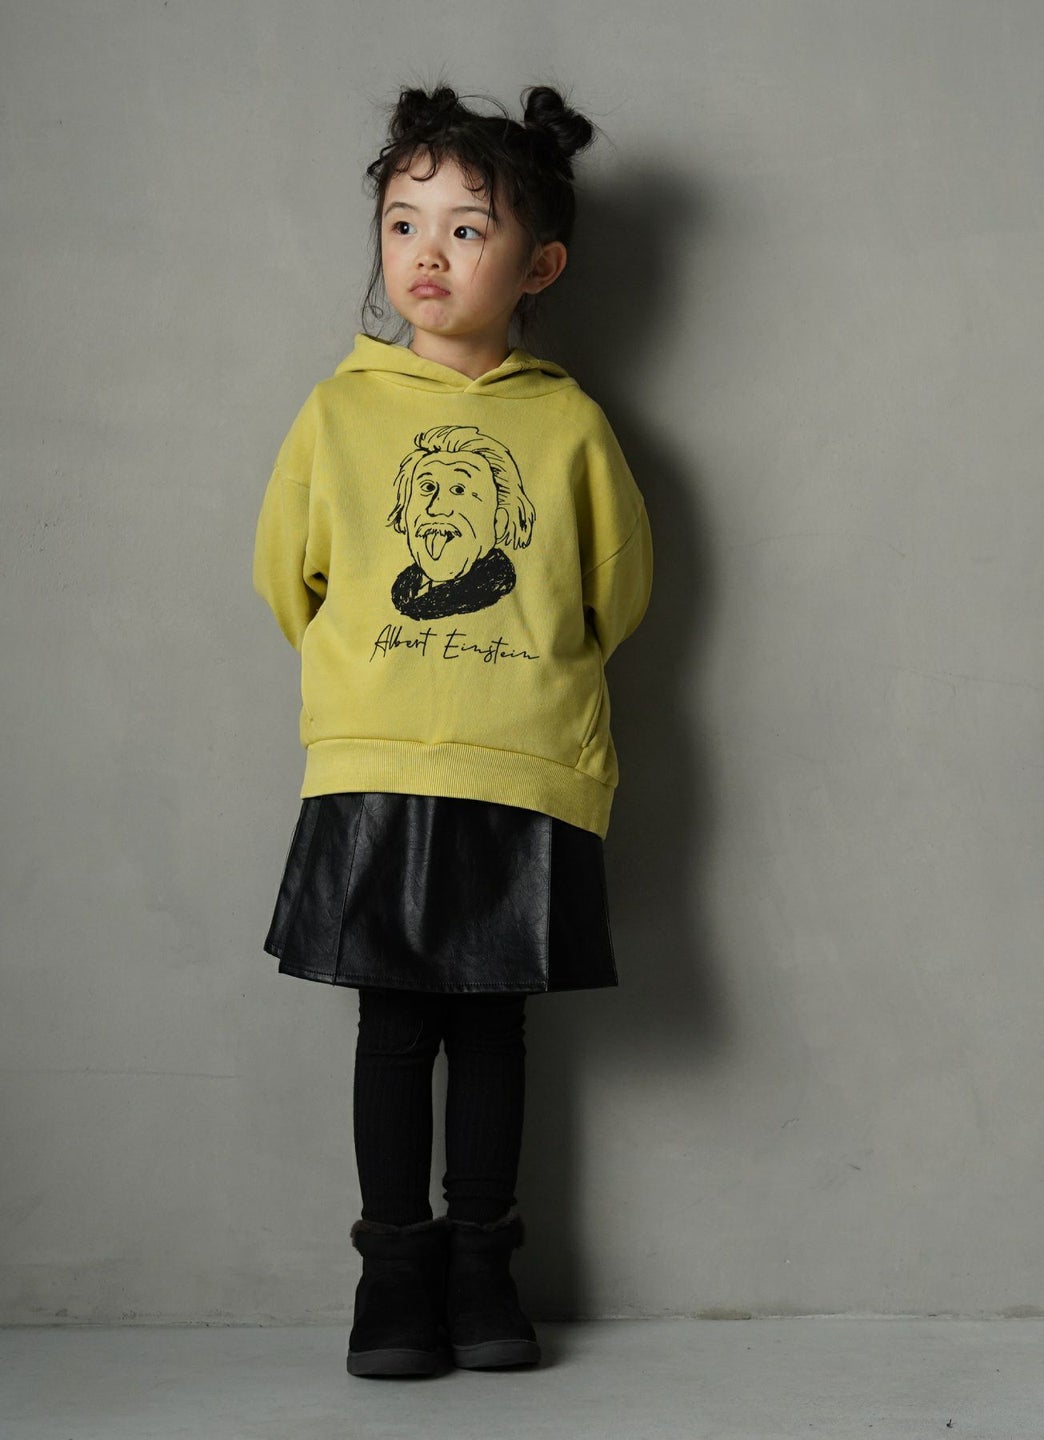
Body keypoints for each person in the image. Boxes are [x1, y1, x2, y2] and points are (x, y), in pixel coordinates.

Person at [252, 83, 652, 1377]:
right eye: (403, 222)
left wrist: (515, 685)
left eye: (466, 229)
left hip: (520, 768)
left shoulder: (569, 425)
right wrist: (380, 684)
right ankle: (392, 1278)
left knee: (492, 1028)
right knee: (393, 1030)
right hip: (375, 765)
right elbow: (289, 577)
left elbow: (616, 593)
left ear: (539, 266)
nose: (426, 253)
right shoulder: (337, 413)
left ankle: (486, 1269)